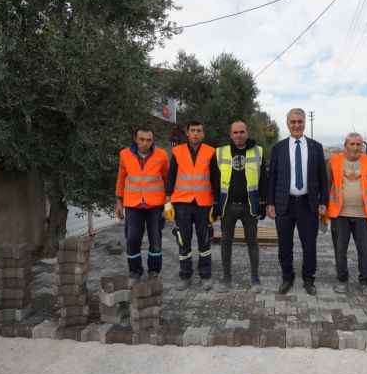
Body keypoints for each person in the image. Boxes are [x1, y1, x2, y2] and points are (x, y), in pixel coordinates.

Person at [267, 108, 328, 295]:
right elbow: (272, 178)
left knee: (309, 244)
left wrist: (323, 201)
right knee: (285, 245)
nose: (296, 125)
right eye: (293, 122)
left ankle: (309, 279)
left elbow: (323, 178)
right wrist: (270, 203)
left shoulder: (316, 147)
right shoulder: (278, 148)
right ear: (287, 124)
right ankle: (288, 277)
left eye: (299, 121)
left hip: (308, 204)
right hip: (284, 204)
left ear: (304, 123)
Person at [165, 120, 220, 291]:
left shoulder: (210, 152)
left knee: (204, 241)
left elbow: (215, 179)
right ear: (187, 133)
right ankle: (185, 275)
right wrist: (167, 202)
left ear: (203, 134)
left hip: (204, 203)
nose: (196, 133)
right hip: (182, 203)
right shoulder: (177, 151)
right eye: (193, 130)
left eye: (199, 130)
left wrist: (217, 203)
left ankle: (205, 275)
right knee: (184, 240)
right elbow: (171, 176)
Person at [214, 120, 268, 293]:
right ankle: (226, 279)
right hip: (227, 206)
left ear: (247, 132)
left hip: (249, 206)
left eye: (242, 132)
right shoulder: (220, 152)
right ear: (231, 134)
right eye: (235, 132)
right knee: (225, 243)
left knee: (252, 242)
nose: (239, 135)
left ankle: (255, 278)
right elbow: (214, 180)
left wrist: (263, 202)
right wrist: (215, 204)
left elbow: (263, 179)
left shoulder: (258, 151)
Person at [326, 133, 367, 296]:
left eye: (358, 144)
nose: (356, 147)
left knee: (364, 250)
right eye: (352, 144)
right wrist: (323, 208)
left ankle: (365, 281)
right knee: (340, 249)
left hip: (363, 215)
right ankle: (342, 279)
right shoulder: (334, 161)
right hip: (339, 214)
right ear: (345, 146)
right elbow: (327, 185)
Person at [114, 127, 169, 281]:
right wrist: (119, 201)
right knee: (132, 239)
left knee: (155, 240)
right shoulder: (124, 154)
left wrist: (168, 203)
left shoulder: (162, 155)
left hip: (155, 206)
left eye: (149, 140)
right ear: (135, 139)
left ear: (153, 140)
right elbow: (121, 178)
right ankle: (135, 270)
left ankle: (154, 270)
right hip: (133, 205)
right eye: (142, 139)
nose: (145, 143)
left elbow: (167, 180)